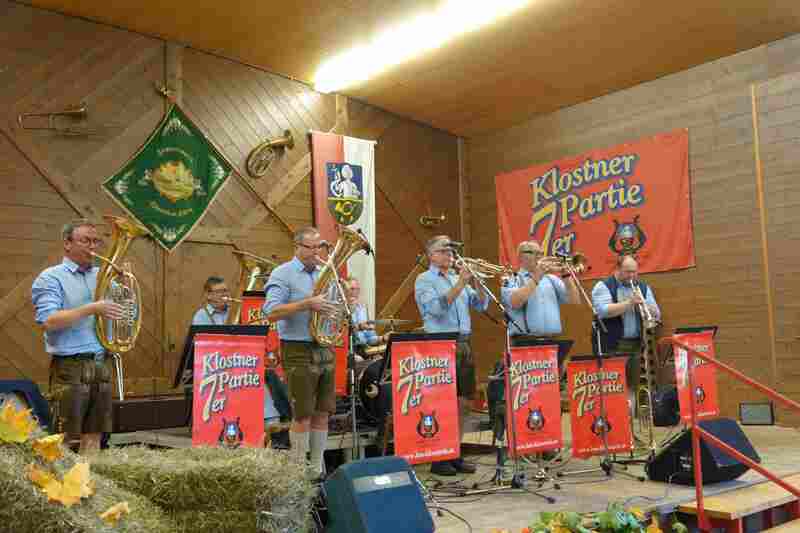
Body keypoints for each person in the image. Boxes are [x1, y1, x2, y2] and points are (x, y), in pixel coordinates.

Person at [31, 220, 124, 454]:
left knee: (94, 435)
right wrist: (92, 308)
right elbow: (48, 321)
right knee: (63, 438)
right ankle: (59, 487)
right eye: (85, 241)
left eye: (95, 241)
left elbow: (121, 315)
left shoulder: (103, 276)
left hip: (102, 361)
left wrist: (123, 287)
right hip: (70, 366)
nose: (92, 247)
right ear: (67, 244)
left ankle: (88, 485)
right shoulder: (50, 277)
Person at [263, 227, 338, 479]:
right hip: (297, 347)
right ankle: (297, 472)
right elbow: (271, 311)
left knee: (322, 411)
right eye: (311, 247)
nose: (316, 253)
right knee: (303, 412)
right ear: (297, 246)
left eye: (319, 247)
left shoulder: (324, 273)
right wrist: (307, 304)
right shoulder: (282, 273)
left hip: (323, 346)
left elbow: (334, 309)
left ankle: (316, 469)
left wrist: (339, 304)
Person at [415, 235, 487, 476]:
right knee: (441, 402)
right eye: (444, 250)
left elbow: (481, 305)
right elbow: (436, 309)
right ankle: (439, 456)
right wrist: (461, 283)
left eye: (451, 251)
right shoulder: (424, 280)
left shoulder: (458, 278)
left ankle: (453, 451)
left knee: (464, 401)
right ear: (431, 255)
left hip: (463, 343)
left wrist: (475, 282)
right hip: (440, 343)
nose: (449, 254)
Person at [190, 276, 290, 448]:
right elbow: (201, 345)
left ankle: (273, 420)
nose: (225, 295)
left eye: (226, 291)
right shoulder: (201, 316)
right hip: (217, 365)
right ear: (208, 295)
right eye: (220, 291)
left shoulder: (236, 310)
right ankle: (269, 419)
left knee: (262, 374)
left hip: (240, 360)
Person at [591, 255, 661, 405]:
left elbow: (656, 313)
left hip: (635, 345)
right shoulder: (603, 286)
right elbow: (603, 311)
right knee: (614, 388)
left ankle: (632, 421)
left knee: (634, 386)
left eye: (635, 272)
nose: (632, 276)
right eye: (628, 272)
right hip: (612, 345)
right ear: (617, 269)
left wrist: (645, 305)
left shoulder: (642, 287)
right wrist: (630, 303)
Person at [501, 241, 579, 340]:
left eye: (541, 253)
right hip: (524, 341)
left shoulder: (551, 278)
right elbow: (515, 302)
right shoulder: (511, 278)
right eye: (534, 253)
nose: (539, 257)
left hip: (553, 340)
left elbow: (575, 300)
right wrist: (537, 276)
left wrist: (566, 276)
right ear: (521, 256)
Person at [345, 276, 388, 359]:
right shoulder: (340, 309)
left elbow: (370, 338)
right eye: (352, 289)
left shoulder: (362, 308)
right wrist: (360, 327)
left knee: (381, 359)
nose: (355, 292)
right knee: (360, 360)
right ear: (344, 290)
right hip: (349, 349)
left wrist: (383, 338)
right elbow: (343, 332)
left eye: (357, 289)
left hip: (364, 347)